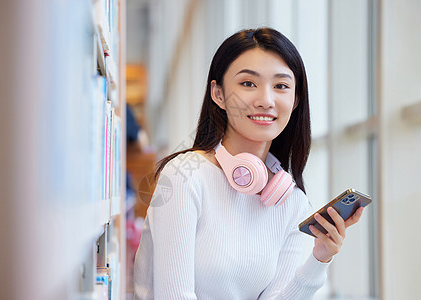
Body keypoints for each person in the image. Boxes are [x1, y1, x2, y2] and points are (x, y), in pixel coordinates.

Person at [133, 27, 365, 300]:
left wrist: (319, 260)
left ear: (295, 100)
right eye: (248, 84)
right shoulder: (185, 178)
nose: (265, 100)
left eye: (281, 86)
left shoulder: (291, 201)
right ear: (218, 94)